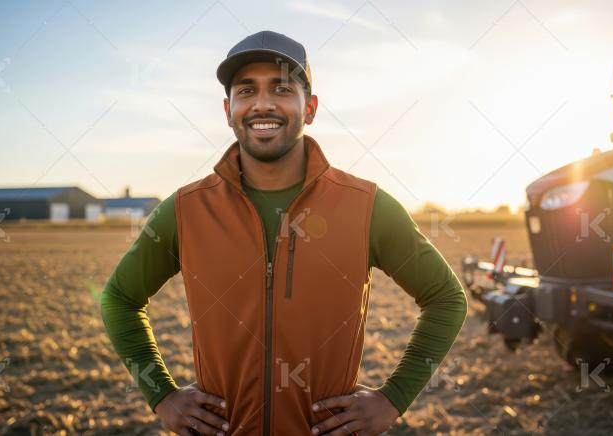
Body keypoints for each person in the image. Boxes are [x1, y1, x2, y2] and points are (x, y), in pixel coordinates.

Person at [101, 30, 467, 436]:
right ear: (228, 109)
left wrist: (394, 397)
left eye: (281, 88)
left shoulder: (366, 206)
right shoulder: (186, 209)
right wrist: (162, 395)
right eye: (246, 91)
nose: (262, 104)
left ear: (309, 107)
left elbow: (446, 298)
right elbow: (119, 298)